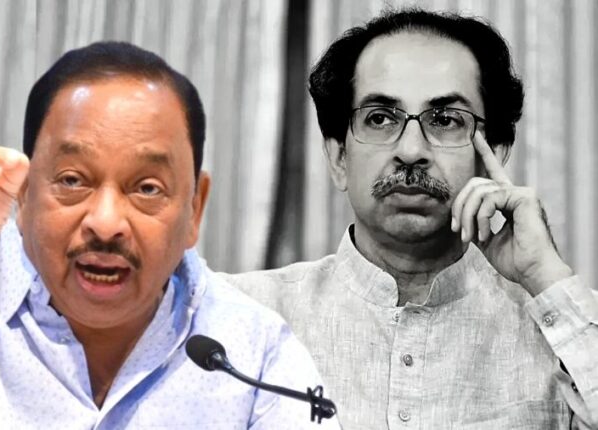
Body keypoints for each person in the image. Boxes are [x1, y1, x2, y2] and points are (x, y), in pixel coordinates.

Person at [0, 41, 338, 429]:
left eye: (147, 188)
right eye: (72, 180)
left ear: (194, 208)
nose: (105, 223)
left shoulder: (254, 351)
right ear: (24, 193)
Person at [223, 9, 598, 428]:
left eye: (445, 120)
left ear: (492, 156)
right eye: (380, 118)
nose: (411, 150)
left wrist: (545, 276)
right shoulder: (241, 317)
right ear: (339, 157)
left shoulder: (566, 329)